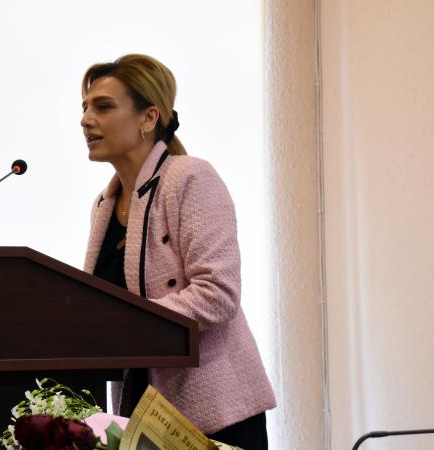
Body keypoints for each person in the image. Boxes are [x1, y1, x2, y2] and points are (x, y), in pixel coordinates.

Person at [80, 54, 276, 450]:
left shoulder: (189, 178)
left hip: (215, 413)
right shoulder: (103, 204)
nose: (86, 120)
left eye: (103, 106)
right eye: (84, 108)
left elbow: (218, 293)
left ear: (148, 118)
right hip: (142, 412)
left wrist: (127, 325)